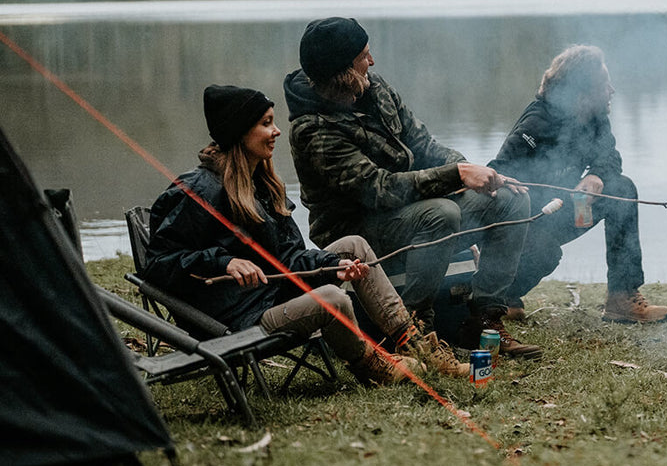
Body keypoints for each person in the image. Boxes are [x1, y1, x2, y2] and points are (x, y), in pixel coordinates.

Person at [143, 85, 473, 385]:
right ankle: (373, 365)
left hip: (271, 295)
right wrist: (224, 262)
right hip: (235, 318)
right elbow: (158, 264)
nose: (275, 132)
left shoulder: (261, 184)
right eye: (265, 123)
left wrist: (334, 265)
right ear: (239, 132)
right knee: (333, 300)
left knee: (354, 246)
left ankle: (414, 342)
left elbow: (289, 258)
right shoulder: (198, 191)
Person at [283, 17, 541, 359]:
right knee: (441, 213)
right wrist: (456, 175)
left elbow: (424, 145)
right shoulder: (312, 130)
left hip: (409, 210)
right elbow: (379, 188)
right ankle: (417, 329)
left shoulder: (375, 88)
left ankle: (484, 322)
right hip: (354, 228)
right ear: (343, 69)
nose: (371, 62)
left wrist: (475, 172)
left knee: (507, 200)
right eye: (363, 56)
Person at [488, 45, 667, 324]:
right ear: (582, 93)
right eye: (604, 84)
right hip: (527, 221)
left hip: (563, 209)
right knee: (544, 251)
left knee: (622, 188)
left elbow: (610, 156)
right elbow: (497, 174)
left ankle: (622, 297)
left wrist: (595, 175)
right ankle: (501, 296)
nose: (612, 90)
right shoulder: (537, 123)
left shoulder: (595, 117)